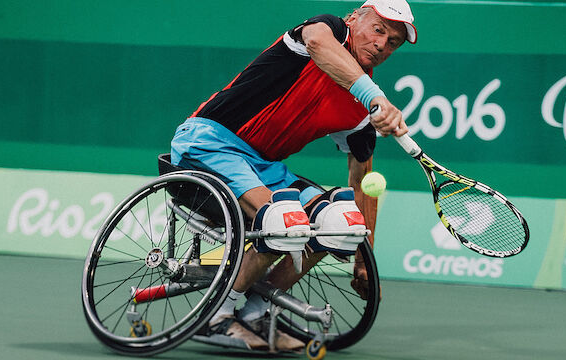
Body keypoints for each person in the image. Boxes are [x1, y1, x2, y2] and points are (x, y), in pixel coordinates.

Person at [170, 0, 417, 352]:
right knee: (286, 221)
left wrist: (363, 257)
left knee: (339, 224)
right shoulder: (327, 29)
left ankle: (257, 313)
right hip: (209, 143)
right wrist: (376, 98)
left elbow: (363, 179)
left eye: (393, 42)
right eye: (378, 30)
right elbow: (319, 44)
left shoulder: (359, 112)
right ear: (353, 20)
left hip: (264, 168)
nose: (382, 45)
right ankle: (215, 316)